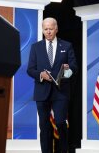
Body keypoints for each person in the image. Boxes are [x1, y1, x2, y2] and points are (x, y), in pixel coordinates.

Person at [27, 17, 77, 153]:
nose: (48, 32)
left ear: (56, 29)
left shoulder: (67, 46)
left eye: (50, 29)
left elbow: (74, 67)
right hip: (42, 92)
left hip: (61, 92)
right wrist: (40, 75)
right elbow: (30, 69)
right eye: (45, 29)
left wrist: (67, 70)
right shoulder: (35, 47)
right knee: (44, 127)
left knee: (61, 123)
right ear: (43, 30)